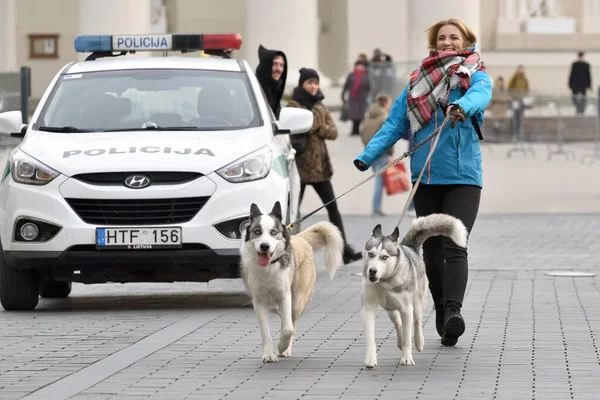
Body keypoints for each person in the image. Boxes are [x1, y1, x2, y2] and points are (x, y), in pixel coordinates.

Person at [353, 18, 492, 347]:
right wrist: (368, 155)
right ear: (434, 42)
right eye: (442, 37)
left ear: (465, 41)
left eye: (453, 37)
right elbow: (394, 124)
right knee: (430, 250)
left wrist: (460, 106)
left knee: (454, 244)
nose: (447, 42)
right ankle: (443, 308)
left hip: (463, 177)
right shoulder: (417, 82)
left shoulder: (475, 75)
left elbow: (480, 97)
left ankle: (454, 310)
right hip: (426, 179)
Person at [286, 68, 362, 265]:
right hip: (300, 168)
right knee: (294, 212)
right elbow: (297, 129)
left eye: (315, 82)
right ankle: (288, 249)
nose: (313, 86)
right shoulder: (294, 106)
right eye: (309, 82)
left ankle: (343, 249)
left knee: (333, 208)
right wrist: (318, 124)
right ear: (302, 84)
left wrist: (317, 124)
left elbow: (333, 132)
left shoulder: (319, 106)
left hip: (320, 168)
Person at [360, 93, 393, 217]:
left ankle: (376, 207)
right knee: (379, 181)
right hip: (382, 153)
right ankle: (376, 208)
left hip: (370, 152)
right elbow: (389, 136)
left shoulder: (369, 116)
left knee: (378, 179)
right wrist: (390, 152)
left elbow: (363, 133)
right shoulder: (384, 117)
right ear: (385, 103)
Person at [255, 45, 287, 117]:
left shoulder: (275, 92)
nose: (278, 69)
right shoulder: (253, 90)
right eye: (275, 64)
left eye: (281, 65)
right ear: (266, 66)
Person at [342, 60, 370, 136]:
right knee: (353, 114)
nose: (360, 67)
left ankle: (357, 129)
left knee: (360, 114)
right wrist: (343, 95)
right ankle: (354, 129)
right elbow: (346, 86)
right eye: (358, 65)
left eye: (361, 66)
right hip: (353, 97)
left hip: (362, 98)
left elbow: (369, 87)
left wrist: (367, 95)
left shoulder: (366, 76)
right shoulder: (351, 75)